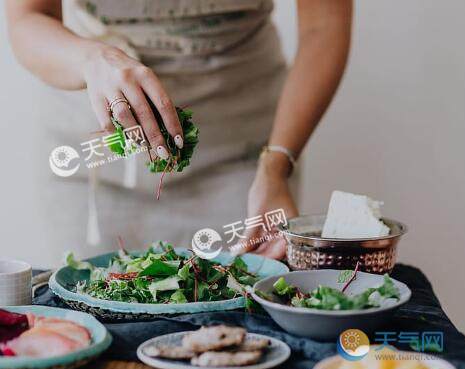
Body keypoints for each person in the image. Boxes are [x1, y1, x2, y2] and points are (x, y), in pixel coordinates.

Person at [5, 0, 351, 264]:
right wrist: (92, 61)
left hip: (247, 156)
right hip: (97, 155)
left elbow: (324, 26)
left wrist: (277, 166)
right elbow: (28, 19)